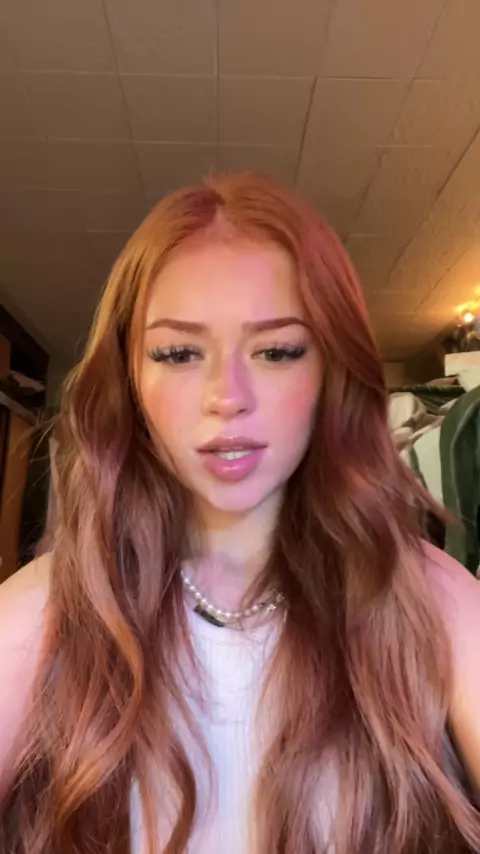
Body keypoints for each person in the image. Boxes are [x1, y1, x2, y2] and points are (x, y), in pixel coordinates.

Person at [0, 171, 479, 854]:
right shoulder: (55, 605)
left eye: (276, 351)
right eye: (179, 353)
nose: (227, 396)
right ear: (130, 379)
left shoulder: (427, 596)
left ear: (332, 371)